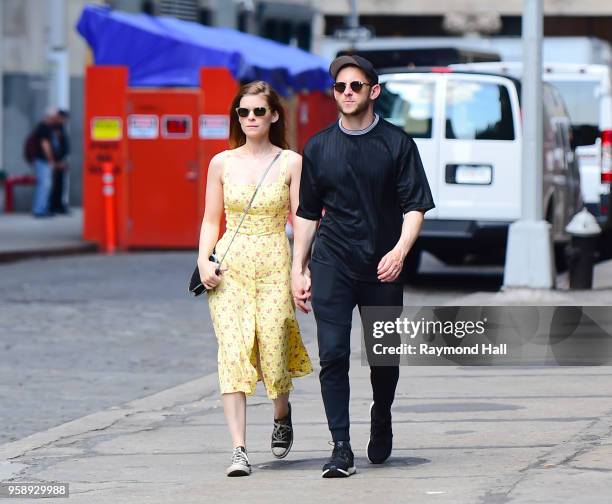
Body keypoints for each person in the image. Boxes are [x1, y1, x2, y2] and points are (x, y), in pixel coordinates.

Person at [291, 55, 435, 478]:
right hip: (332, 260)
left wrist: (400, 251)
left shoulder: (397, 144)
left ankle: (382, 412)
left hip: (382, 265)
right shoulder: (318, 147)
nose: (347, 93)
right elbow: (306, 213)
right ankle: (340, 447)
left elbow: (415, 206)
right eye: (340, 87)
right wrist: (299, 268)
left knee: (383, 357)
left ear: (373, 91)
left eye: (355, 86)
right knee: (332, 354)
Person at [197, 81, 313, 477]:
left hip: (273, 261)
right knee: (232, 354)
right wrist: (203, 260)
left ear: (274, 115)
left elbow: (299, 220)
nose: (249, 119)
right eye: (243, 112)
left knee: (275, 350)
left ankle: (282, 411)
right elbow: (212, 219)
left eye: (258, 112)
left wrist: (301, 267)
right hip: (231, 266)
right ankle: (239, 449)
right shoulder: (221, 163)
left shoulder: (291, 162)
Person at [30, 108, 58, 217]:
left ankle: (43, 208)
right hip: (42, 160)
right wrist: (51, 159)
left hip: (43, 160)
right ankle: (39, 210)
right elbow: (45, 145)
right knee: (44, 185)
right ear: (48, 117)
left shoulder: (46, 127)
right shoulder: (43, 127)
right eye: (53, 117)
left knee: (46, 185)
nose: (54, 120)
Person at [48, 109, 70, 214]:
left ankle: (59, 205)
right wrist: (58, 161)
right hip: (56, 160)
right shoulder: (54, 127)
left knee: (60, 184)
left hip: (61, 159)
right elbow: (54, 146)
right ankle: (53, 206)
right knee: (55, 185)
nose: (65, 121)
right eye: (64, 118)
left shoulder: (61, 127)